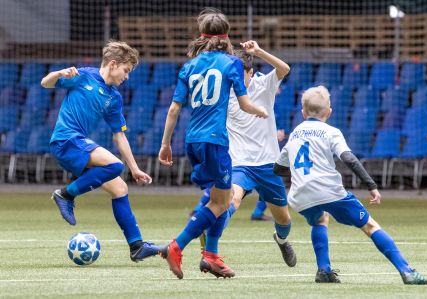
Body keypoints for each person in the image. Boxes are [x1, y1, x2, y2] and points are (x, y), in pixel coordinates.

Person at [274, 86, 427, 285]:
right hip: (329, 190)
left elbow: (278, 168)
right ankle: (406, 271)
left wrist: (302, 174)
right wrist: (371, 185)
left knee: (320, 220)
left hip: (300, 196)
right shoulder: (331, 132)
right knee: (370, 226)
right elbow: (349, 159)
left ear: (303, 113)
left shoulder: (294, 134)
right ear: (329, 112)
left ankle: (324, 271)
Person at [158, 8, 268, 279]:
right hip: (215, 141)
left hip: (191, 141)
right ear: (226, 35)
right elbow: (243, 103)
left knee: (216, 198)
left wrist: (165, 144)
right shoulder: (231, 64)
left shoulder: (189, 66)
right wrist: (259, 111)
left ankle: (211, 257)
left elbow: (173, 110)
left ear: (202, 35)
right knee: (222, 202)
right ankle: (177, 245)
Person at [41, 40, 159, 262]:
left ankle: (137, 246)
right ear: (113, 64)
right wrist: (61, 73)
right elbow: (45, 83)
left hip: (78, 146)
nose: (127, 77)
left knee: (120, 188)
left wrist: (135, 169)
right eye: (126, 70)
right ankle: (65, 194)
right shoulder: (83, 76)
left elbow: (119, 135)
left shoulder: (114, 97)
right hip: (66, 140)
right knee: (114, 165)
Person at [192, 41, 297, 272]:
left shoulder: (264, 84)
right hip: (239, 164)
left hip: (269, 164)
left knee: (284, 219)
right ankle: (210, 247)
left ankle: (281, 241)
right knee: (231, 201)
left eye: (241, 74)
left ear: (251, 72)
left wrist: (258, 52)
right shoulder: (225, 93)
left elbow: (285, 69)